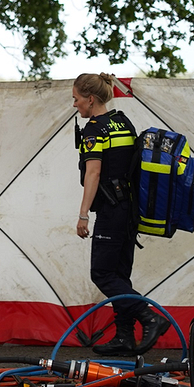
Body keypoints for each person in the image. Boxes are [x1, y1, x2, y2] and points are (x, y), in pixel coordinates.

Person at [73, 73, 170, 356]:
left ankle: (149, 316)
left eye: (76, 98)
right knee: (119, 275)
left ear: (90, 99)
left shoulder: (94, 129)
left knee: (102, 273)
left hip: (111, 210)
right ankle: (124, 337)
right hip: (130, 210)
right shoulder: (122, 121)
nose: (75, 104)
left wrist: (82, 216)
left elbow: (94, 172)